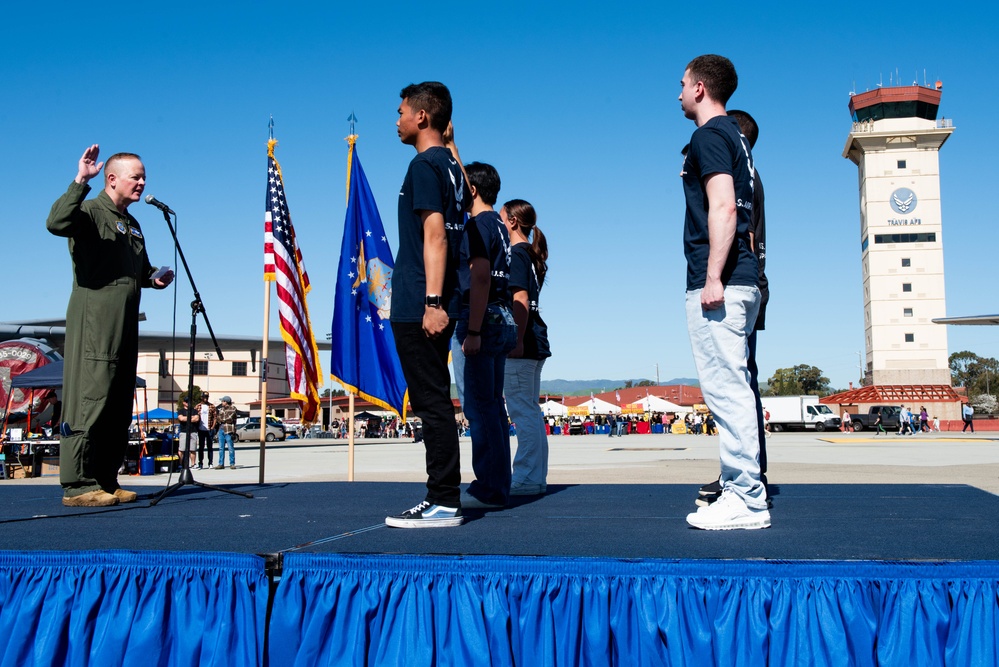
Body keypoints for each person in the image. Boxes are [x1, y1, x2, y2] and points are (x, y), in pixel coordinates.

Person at [46, 146, 174, 507]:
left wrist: (153, 278)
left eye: (144, 176)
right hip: (95, 317)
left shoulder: (132, 224)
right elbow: (56, 223)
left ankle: (105, 477)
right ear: (112, 179)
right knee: (92, 394)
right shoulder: (89, 211)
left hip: (126, 320)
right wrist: (79, 181)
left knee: (118, 398)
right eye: (136, 176)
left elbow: (139, 269)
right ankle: (77, 483)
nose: (142, 182)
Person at [678, 55, 768, 531]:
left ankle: (747, 497)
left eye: (682, 84)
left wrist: (713, 276)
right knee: (734, 390)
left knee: (727, 393)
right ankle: (740, 490)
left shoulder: (710, 135)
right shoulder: (735, 138)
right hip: (744, 280)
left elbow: (724, 207)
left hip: (723, 282)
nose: (677, 94)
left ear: (699, 88)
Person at [386, 82, 471, 529]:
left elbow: (435, 235)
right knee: (436, 398)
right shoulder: (452, 167)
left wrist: (432, 302)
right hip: (435, 297)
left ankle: (442, 500)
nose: (396, 119)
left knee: (431, 401)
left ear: (422, 117)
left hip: (422, 300)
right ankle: (443, 495)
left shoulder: (424, 165)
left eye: (401, 111)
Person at [697, 109, 772, 508]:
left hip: (736, 280)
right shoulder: (753, 178)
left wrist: (714, 277)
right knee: (742, 379)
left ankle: (746, 482)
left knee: (736, 383)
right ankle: (744, 475)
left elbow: (732, 220)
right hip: (752, 280)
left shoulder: (740, 176)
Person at [455, 163, 517, 509]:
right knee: (493, 406)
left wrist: (473, 330)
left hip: (481, 317)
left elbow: (479, 278)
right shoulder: (499, 224)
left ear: (473, 190)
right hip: (500, 316)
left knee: (479, 407)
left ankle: (490, 487)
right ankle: (498, 483)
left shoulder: (478, 225)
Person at [501, 199, 551, 497]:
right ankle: (534, 476)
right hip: (535, 338)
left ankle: (527, 477)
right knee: (529, 410)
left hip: (525, 340)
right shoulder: (529, 255)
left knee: (522, 411)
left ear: (512, 222)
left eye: (501, 218)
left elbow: (519, 300)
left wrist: (516, 340)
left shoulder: (517, 255)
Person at [177, 397, 200, 468]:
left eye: (189, 401)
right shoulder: (181, 411)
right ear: (184, 402)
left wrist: (186, 418)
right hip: (184, 432)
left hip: (193, 431)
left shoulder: (194, 411)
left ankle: (193, 464)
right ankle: (180, 464)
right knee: (181, 449)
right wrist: (191, 417)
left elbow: (196, 419)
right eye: (187, 402)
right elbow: (181, 418)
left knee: (192, 449)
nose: (188, 403)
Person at [216, 396, 237, 469]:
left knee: (230, 447)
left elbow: (230, 419)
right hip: (221, 430)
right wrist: (222, 419)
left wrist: (222, 419)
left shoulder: (233, 408)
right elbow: (218, 418)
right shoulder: (221, 409)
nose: (221, 403)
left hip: (229, 430)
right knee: (221, 448)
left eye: (222, 401)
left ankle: (232, 463)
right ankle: (221, 464)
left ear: (226, 402)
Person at [197, 393, 216, 469]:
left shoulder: (211, 406)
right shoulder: (198, 406)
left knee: (210, 447)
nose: (206, 398)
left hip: (209, 429)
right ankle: (200, 463)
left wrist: (213, 427)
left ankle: (210, 463)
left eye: (207, 397)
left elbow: (215, 417)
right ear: (201, 397)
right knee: (201, 447)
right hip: (201, 429)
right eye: (204, 397)